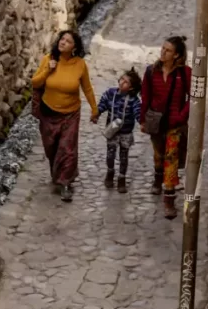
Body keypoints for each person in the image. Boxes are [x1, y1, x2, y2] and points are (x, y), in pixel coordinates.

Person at [31, 30, 97, 203]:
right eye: (62, 39)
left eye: (68, 41)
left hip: (70, 113)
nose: (63, 42)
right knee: (51, 147)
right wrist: (48, 70)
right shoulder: (48, 59)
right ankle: (57, 172)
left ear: (74, 47)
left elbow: (87, 88)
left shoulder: (80, 64)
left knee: (67, 149)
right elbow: (35, 82)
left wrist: (94, 109)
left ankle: (65, 182)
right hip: (48, 112)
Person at [140, 36, 192, 219]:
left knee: (171, 158)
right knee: (158, 154)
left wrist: (181, 116)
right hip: (156, 121)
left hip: (174, 124)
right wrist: (143, 120)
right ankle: (157, 177)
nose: (163, 52)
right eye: (162, 48)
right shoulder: (151, 71)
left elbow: (193, 97)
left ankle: (169, 199)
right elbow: (145, 97)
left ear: (176, 55)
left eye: (168, 50)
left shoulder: (185, 74)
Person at [97, 69, 143, 193]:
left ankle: (122, 178)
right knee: (110, 154)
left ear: (131, 88)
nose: (122, 82)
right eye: (122, 79)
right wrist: (97, 113)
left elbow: (138, 113)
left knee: (124, 156)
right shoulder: (110, 93)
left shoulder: (134, 100)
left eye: (126, 82)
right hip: (112, 130)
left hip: (126, 133)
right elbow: (102, 104)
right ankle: (110, 172)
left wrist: (142, 122)